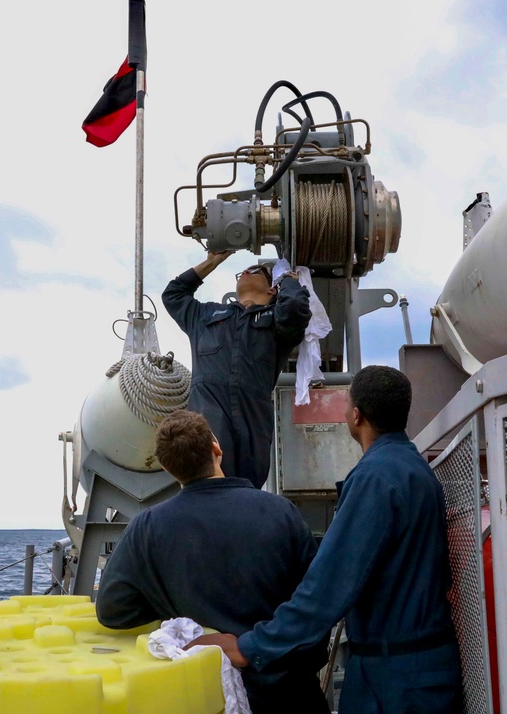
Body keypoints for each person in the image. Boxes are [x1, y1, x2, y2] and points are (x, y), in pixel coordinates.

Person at [190, 366, 463, 714]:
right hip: (422, 672)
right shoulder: (415, 469)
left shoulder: (375, 478)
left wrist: (251, 647)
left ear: (356, 415)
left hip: (394, 681)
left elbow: (329, 585)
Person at [95, 409, 331, 714]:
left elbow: (112, 611)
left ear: (167, 469)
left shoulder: (147, 527)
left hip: (208, 697)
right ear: (216, 449)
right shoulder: (280, 512)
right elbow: (317, 605)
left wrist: (170, 600)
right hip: (291, 695)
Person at [162, 251, 311, 488]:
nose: (244, 273)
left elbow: (295, 307)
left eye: (255, 271)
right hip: (207, 413)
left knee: (244, 485)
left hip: (251, 416)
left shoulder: (277, 319)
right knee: (204, 478)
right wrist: (213, 261)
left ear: (272, 289)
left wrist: (289, 279)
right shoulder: (206, 314)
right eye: (241, 272)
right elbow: (173, 295)